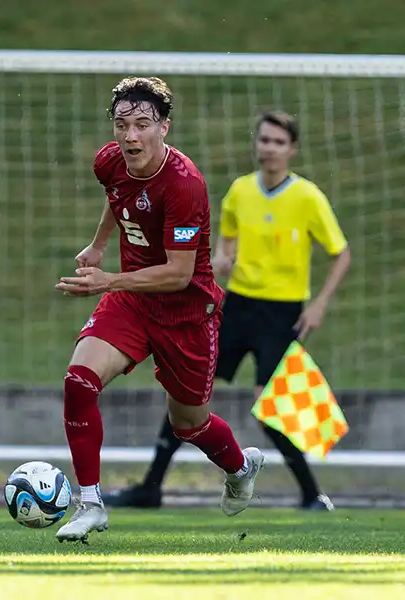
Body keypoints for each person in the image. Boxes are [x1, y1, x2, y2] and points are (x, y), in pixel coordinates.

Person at [104, 110, 350, 512]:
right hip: (237, 307)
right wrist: (215, 266)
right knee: (185, 391)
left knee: (269, 403)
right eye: (264, 140)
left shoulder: (308, 197)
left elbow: (341, 254)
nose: (268, 148)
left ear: (292, 150)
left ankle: (311, 495)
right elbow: (225, 250)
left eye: (278, 142)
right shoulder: (239, 191)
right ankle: (151, 489)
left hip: (281, 314)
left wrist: (319, 303)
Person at [53, 76, 264, 542]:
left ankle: (241, 466)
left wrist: (108, 280)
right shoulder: (110, 161)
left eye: (142, 124)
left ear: (164, 127)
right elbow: (118, 197)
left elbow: (179, 273)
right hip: (131, 302)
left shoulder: (185, 185)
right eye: (121, 124)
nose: (130, 136)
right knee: (78, 381)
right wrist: (97, 246)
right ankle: (90, 503)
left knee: (188, 424)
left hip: (186, 313)